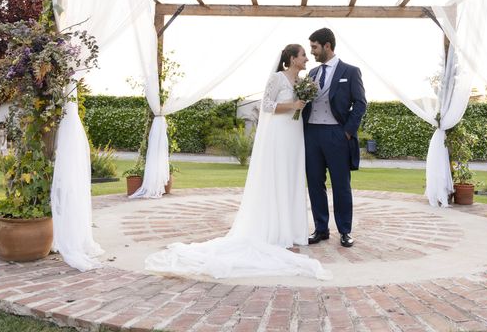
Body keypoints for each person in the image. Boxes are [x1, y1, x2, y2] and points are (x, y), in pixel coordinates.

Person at [145, 44, 331, 280]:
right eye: (303, 54)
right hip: (279, 134)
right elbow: (265, 106)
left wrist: (301, 104)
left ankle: (292, 229)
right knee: (277, 176)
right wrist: (293, 106)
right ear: (292, 58)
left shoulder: (303, 83)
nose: (306, 58)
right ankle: (275, 228)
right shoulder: (278, 78)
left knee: (292, 177)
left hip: (295, 136)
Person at [302, 28, 367, 248]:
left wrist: (347, 132)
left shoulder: (350, 71)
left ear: (327, 46)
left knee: (341, 185)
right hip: (312, 134)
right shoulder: (311, 74)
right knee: (314, 183)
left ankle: (345, 231)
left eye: (314, 47)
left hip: (337, 135)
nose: (312, 52)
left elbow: (360, 103)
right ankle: (321, 229)